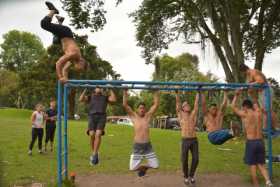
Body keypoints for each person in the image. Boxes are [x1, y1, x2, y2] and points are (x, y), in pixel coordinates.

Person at [231, 89, 273, 187]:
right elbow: (256, 102)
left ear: (245, 107)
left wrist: (236, 95)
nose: (243, 108)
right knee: (261, 164)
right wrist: (251, 93)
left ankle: (256, 184)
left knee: (253, 165)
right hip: (260, 142)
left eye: (243, 107)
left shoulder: (245, 114)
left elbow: (233, 107)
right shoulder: (258, 113)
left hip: (251, 143)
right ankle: (268, 182)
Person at [40, 1, 87, 83]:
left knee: (55, 41)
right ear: (81, 63)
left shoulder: (73, 60)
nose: (77, 70)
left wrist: (66, 79)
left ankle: (60, 21)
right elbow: (58, 63)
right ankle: (53, 11)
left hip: (62, 38)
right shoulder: (74, 54)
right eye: (80, 69)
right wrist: (60, 77)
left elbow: (65, 69)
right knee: (44, 24)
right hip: (65, 33)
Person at [123, 89, 160, 177]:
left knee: (156, 165)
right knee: (132, 168)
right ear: (137, 110)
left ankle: (144, 166)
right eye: (140, 108)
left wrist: (156, 92)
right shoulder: (133, 116)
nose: (142, 110)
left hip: (148, 146)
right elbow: (125, 105)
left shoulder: (148, 116)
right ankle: (142, 167)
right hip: (137, 146)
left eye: (143, 108)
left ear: (145, 110)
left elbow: (156, 104)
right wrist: (125, 92)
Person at [79, 87, 116, 165]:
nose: (99, 88)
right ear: (94, 89)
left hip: (101, 117)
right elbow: (81, 99)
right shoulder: (90, 96)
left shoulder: (105, 97)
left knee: (98, 134)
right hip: (92, 116)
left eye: (100, 87)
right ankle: (94, 152)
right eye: (97, 87)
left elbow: (113, 99)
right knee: (92, 134)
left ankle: (95, 154)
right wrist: (85, 89)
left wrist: (110, 89)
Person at [176, 92, 199, 185]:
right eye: (185, 105)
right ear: (183, 108)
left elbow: (196, 104)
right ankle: (186, 176)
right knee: (184, 159)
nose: (188, 106)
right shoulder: (181, 115)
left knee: (196, 159)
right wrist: (177, 93)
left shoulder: (193, 114)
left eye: (188, 104)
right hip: (185, 140)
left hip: (194, 140)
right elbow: (177, 104)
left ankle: (191, 175)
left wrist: (198, 92)